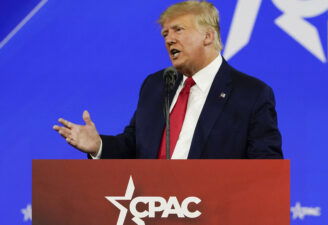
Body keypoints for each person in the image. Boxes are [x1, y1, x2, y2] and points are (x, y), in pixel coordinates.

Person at [53, 0, 283, 159]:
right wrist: (98, 146)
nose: (169, 39)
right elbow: (134, 145)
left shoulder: (250, 93)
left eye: (178, 30)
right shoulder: (156, 85)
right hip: (154, 209)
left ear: (208, 36)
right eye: (165, 34)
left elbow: (265, 165)